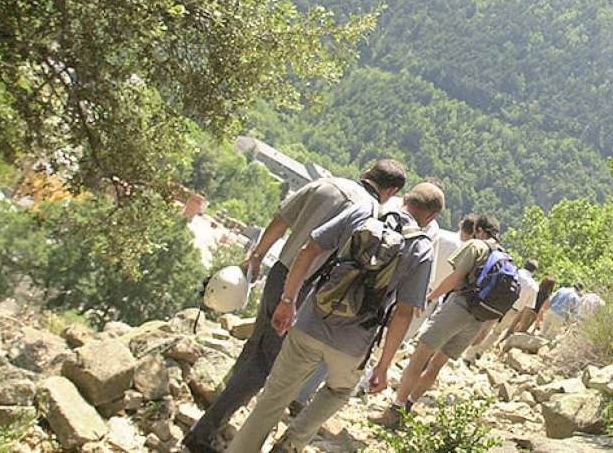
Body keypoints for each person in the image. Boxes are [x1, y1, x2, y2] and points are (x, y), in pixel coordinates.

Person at [182, 159, 406, 453]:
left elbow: (281, 219)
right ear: (390, 191)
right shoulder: (369, 211)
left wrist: (257, 255)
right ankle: (204, 433)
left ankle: (216, 415)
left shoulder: (325, 184)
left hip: (280, 271)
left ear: (366, 173)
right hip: (305, 287)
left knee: (256, 346)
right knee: (265, 363)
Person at [226, 182, 444, 453]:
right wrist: (383, 365)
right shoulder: (422, 248)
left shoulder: (366, 213)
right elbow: (403, 312)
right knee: (339, 391)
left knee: (273, 398)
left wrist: (288, 301)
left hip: (311, 322)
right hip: (354, 344)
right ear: (432, 217)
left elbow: (309, 249)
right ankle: (294, 440)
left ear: (405, 199)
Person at [369, 214, 502, 428]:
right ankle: (408, 406)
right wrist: (485, 329)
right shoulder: (504, 257)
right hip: (478, 319)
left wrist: (429, 297)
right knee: (436, 365)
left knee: (420, 357)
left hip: (458, 308)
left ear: (479, 231)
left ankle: (394, 411)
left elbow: (455, 278)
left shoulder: (477, 246)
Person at [466, 258, 537, 356]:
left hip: (498, 303)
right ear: (534, 272)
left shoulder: (512, 272)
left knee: (485, 327)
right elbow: (528, 307)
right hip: (513, 310)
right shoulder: (533, 286)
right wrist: (522, 322)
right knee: (496, 332)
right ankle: (479, 351)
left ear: (525, 265)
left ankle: (469, 351)